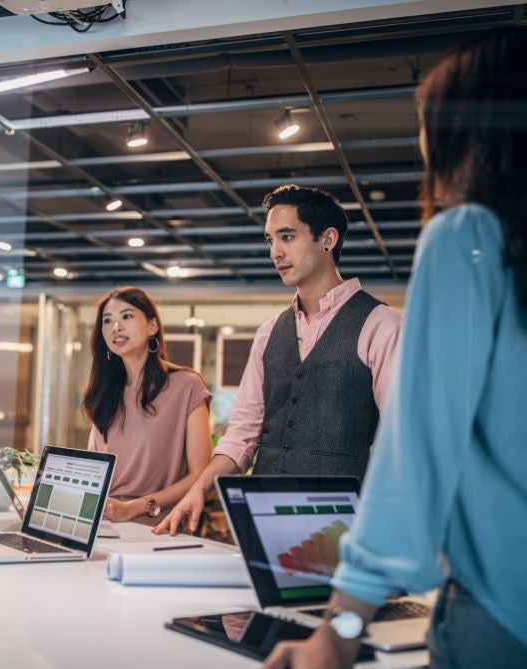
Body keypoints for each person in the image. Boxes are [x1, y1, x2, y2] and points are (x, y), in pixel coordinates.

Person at [263, 27, 527, 669]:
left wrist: (342, 626)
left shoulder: (468, 238)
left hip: (500, 612)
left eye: (427, 122)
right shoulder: (276, 327)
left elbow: (416, 450)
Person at [155, 185, 401, 536]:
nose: (275, 252)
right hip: (263, 521)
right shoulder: (269, 333)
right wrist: (199, 487)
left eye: (287, 237)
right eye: (271, 240)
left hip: (340, 528)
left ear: (327, 239)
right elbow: (242, 434)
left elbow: (401, 440)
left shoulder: (382, 325)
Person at [84, 287, 212, 523]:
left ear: (152, 326)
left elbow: (200, 474)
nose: (116, 327)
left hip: (158, 527)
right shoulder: (103, 393)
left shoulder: (186, 386)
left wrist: (134, 508)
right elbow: (95, 472)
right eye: (107, 320)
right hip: (103, 523)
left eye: (127, 316)